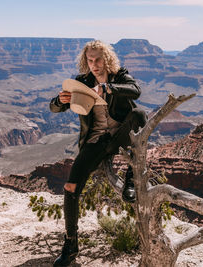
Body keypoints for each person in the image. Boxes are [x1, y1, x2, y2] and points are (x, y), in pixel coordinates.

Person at [50, 40, 147, 266]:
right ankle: (70, 245)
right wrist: (59, 100)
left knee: (140, 115)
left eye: (98, 59)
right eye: (90, 60)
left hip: (119, 137)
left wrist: (107, 88)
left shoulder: (120, 76)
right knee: (70, 188)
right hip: (95, 142)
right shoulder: (81, 82)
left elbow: (136, 91)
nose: (94, 64)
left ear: (107, 59)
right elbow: (53, 108)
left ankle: (131, 178)